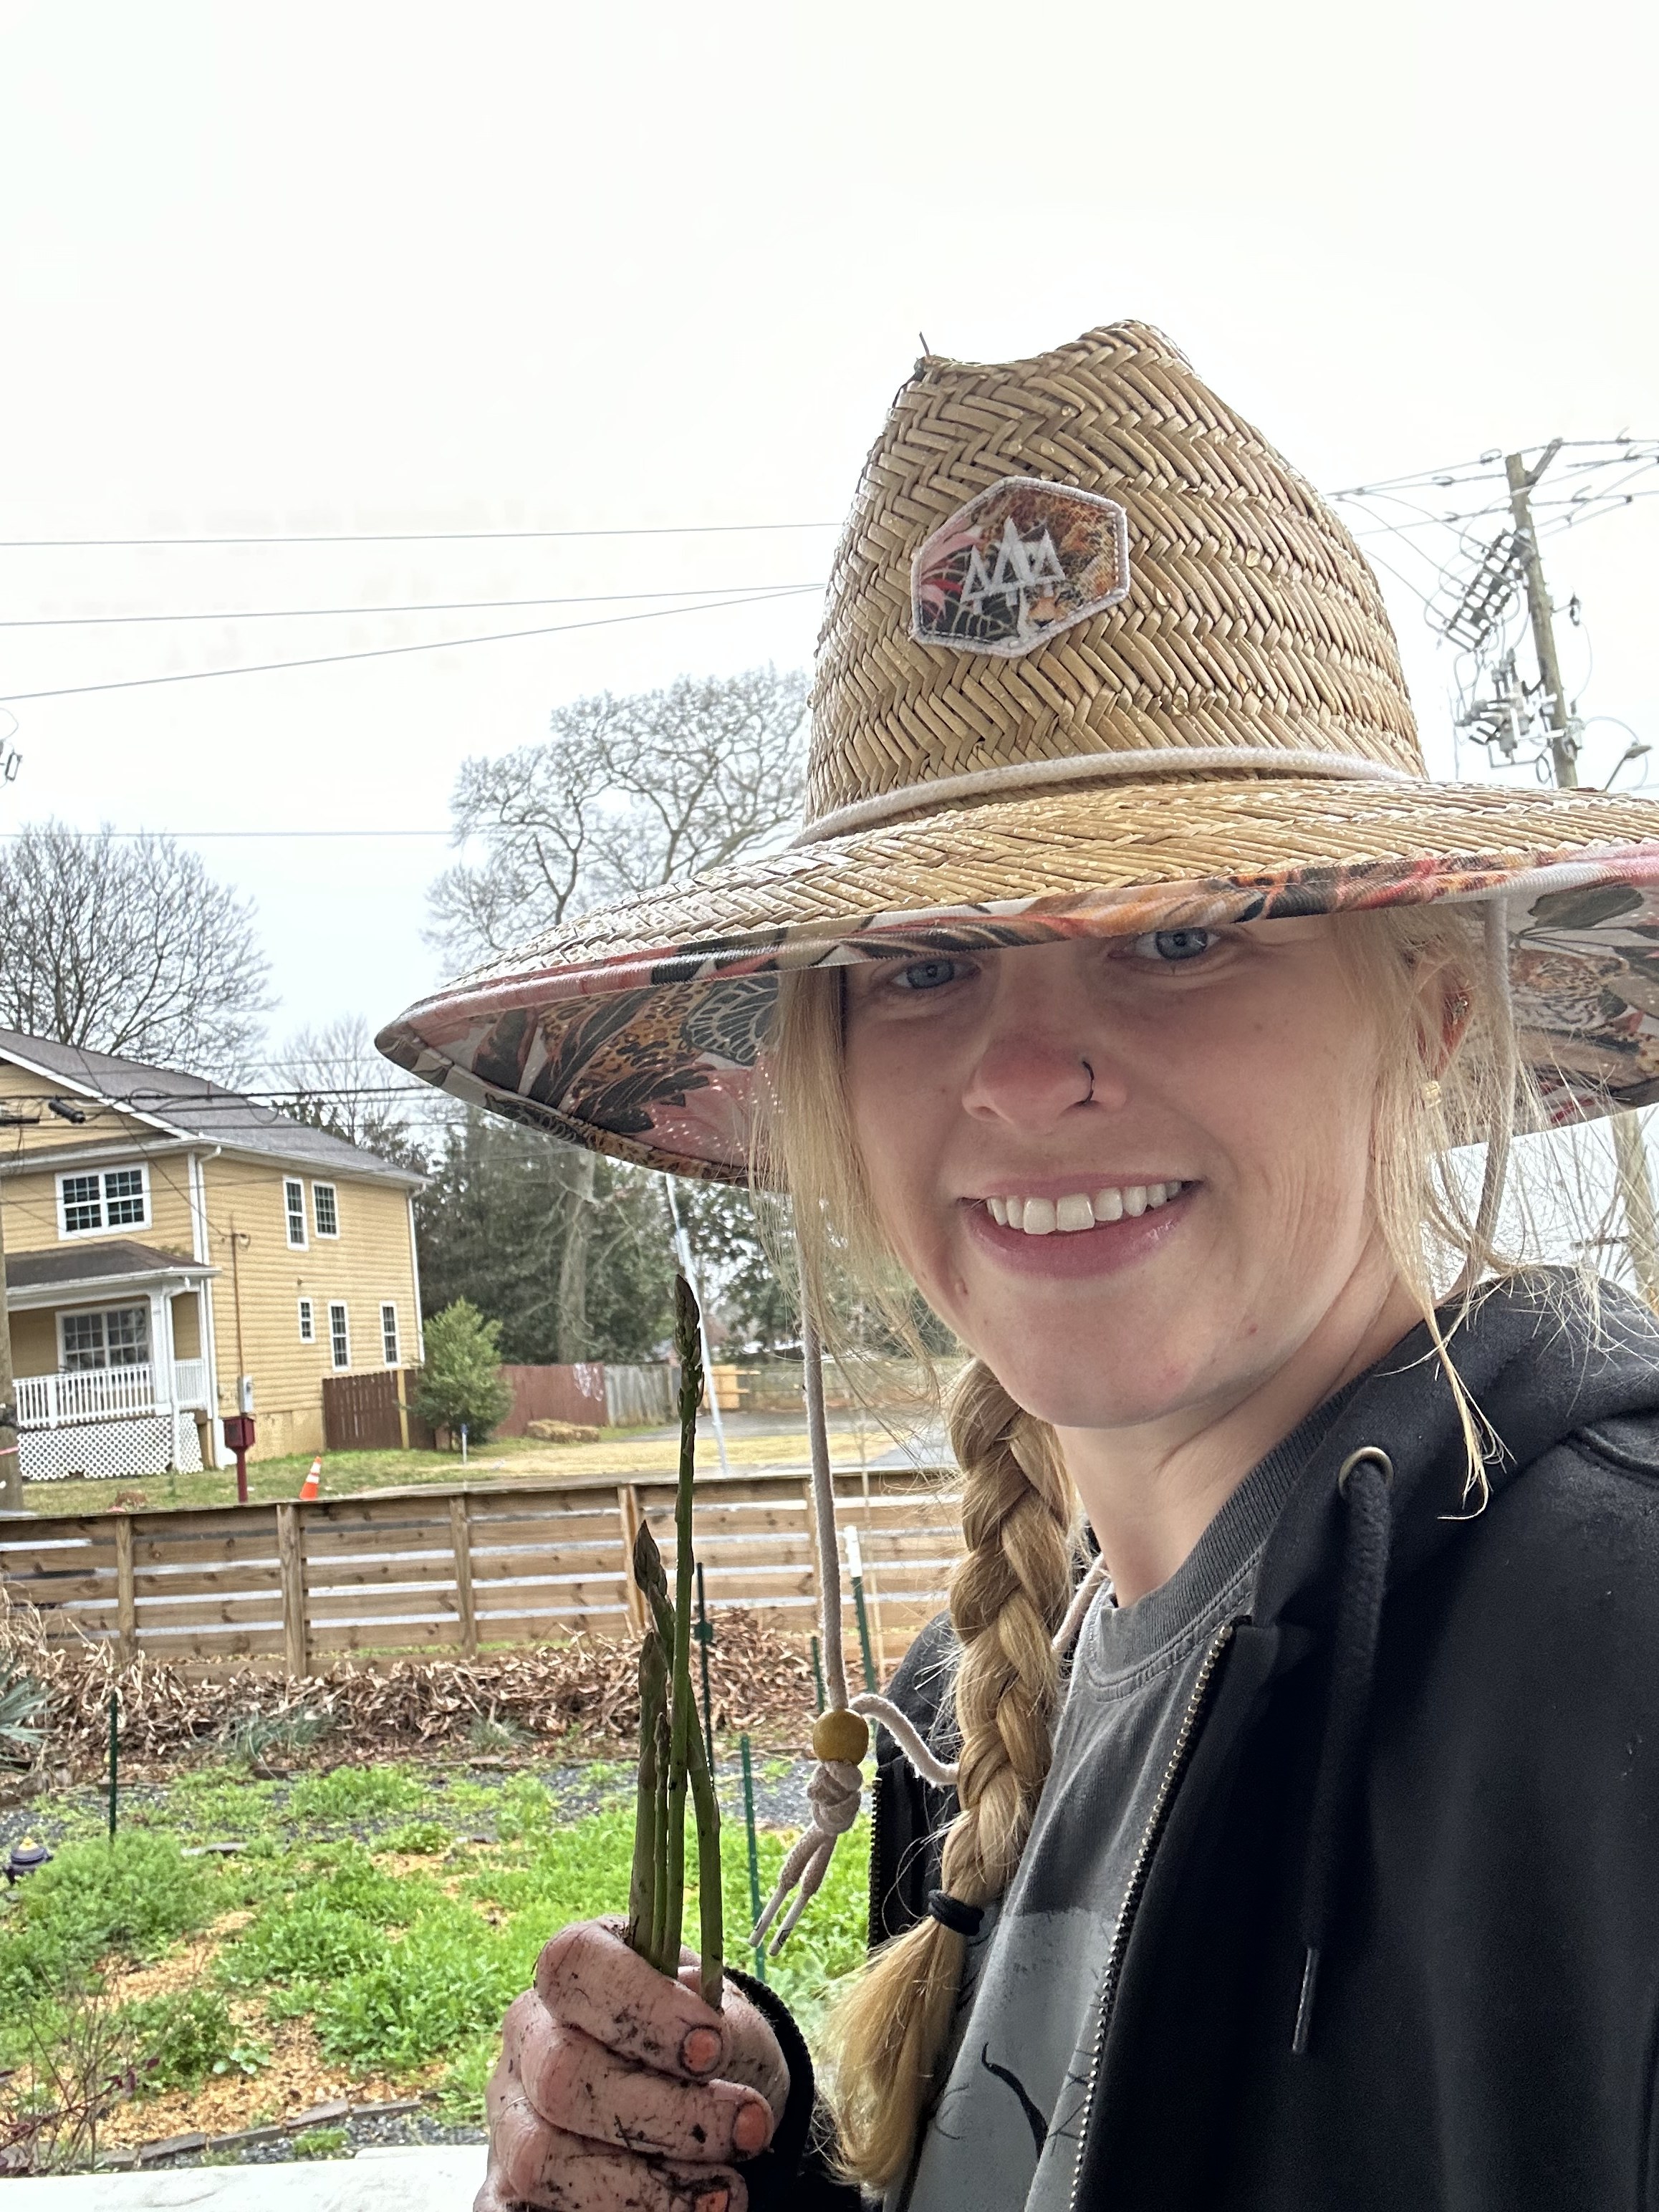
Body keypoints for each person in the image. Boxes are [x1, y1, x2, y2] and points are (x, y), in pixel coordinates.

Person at [380, 323, 1659, 2211]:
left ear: (1429, 1009)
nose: (1022, 1072)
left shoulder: (1609, 1656)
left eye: (1181, 939)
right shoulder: (984, 1695)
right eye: (920, 964)